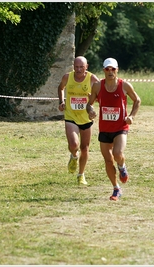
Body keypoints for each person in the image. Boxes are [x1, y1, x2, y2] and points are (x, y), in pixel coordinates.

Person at [86, 58, 141, 201]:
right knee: (108, 161)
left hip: (120, 127)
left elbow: (137, 100)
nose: (110, 72)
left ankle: (122, 167)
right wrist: (90, 111)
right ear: (103, 70)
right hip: (104, 129)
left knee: (117, 153)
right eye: (107, 69)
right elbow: (89, 103)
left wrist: (132, 116)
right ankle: (116, 188)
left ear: (117, 70)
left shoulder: (124, 85)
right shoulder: (98, 86)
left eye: (113, 69)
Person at [58, 56, 100, 185]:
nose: (79, 69)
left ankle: (81, 175)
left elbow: (101, 96)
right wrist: (62, 101)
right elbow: (60, 88)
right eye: (76, 67)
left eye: (82, 67)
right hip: (71, 116)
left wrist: (93, 103)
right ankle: (73, 156)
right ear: (73, 66)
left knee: (85, 147)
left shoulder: (92, 79)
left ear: (86, 67)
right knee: (73, 145)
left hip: (86, 118)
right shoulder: (67, 77)